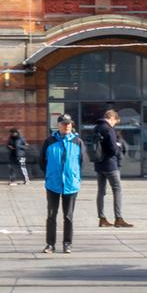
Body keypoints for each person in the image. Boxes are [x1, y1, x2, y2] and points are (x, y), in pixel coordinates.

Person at [41, 114, 83, 254]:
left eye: (69, 123)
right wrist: (50, 174)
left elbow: (82, 161)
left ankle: (67, 243)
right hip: (53, 183)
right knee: (51, 215)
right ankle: (50, 244)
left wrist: (74, 176)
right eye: (64, 124)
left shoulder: (77, 142)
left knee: (68, 216)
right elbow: (42, 161)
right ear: (58, 125)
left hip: (71, 184)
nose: (67, 126)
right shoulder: (49, 141)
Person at [90, 107, 132, 228]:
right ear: (112, 118)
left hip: (99, 164)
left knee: (101, 191)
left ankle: (102, 218)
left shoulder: (96, 128)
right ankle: (118, 218)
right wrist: (118, 148)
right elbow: (113, 149)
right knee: (117, 189)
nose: (114, 124)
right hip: (110, 164)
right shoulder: (109, 129)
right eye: (115, 122)